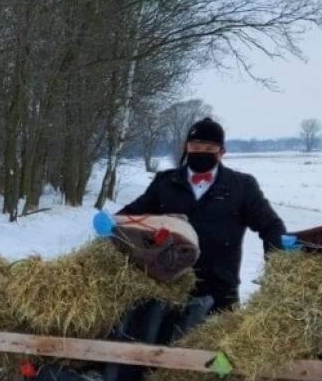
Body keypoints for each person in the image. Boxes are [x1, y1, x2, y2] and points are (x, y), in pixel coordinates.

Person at [114, 117, 290, 311]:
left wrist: (279, 271)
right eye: (196, 147)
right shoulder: (165, 183)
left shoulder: (241, 186)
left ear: (221, 152)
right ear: (185, 147)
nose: (201, 153)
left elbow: (272, 227)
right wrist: (112, 227)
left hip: (219, 292)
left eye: (209, 149)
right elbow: (131, 217)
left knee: (217, 341)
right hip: (167, 289)